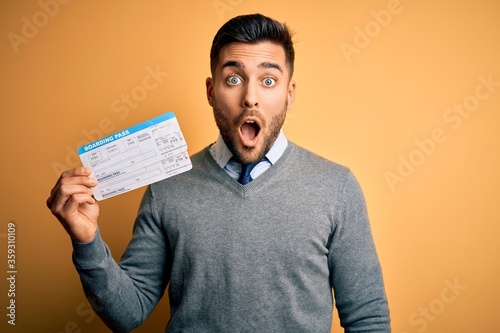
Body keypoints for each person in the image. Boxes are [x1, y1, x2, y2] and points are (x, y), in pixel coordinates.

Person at [47, 13, 391, 333]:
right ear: (212, 91)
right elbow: (128, 312)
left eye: (268, 80)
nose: (250, 98)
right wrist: (86, 241)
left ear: (289, 94)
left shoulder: (336, 187)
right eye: (234, 78)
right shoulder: (167, 189)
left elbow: (367, 318)